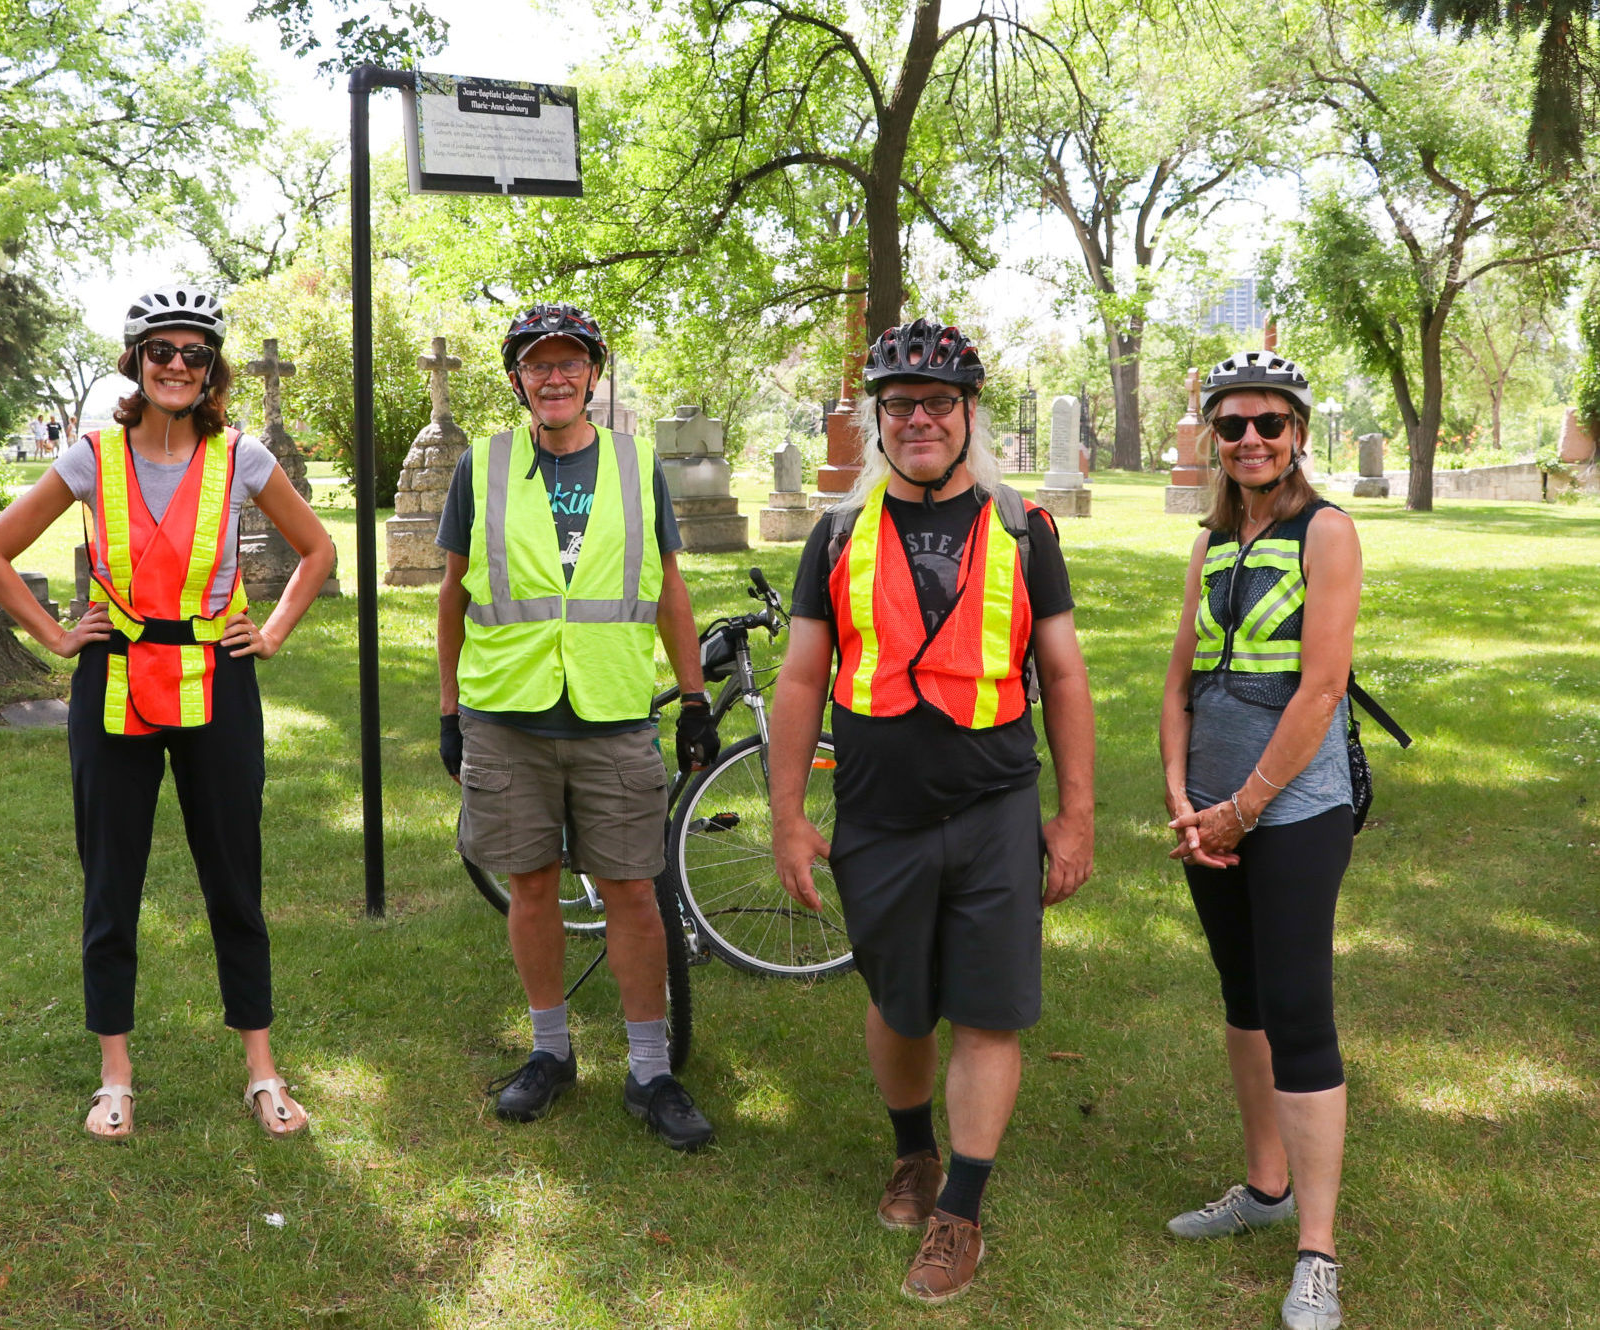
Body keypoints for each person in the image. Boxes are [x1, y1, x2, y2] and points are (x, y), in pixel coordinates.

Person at [767, 319, 1095, 1302]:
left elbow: (1065, 676)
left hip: (995, 803)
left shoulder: (1025, 527)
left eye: (938, 402)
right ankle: (914, 1152)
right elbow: (798, 680)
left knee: (989, 1010)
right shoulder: (836, 533)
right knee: (897, 1002)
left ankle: (962, 1210)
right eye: (900, 403)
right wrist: (788, 817)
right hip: (878, 811)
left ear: (969, 415)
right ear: (878, 418)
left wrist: (1074, 814)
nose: (919, 419)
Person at [0, 281, 336, 1140]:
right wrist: (58, 639)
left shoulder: (242, 457)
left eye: (196, 354)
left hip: (217, 676)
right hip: (116, 680)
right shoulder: (91, 457)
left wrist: (273, 631)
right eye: (163, 352)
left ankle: (262, 1069)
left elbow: (318, 549)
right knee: (112, 879)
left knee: (234, 877)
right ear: (135, 361)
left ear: (213, 372)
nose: (178, 366)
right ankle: (116, 1077)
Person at [435, 302, 720, 1152]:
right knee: (531, 886)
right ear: (516, 377)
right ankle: (550, 1052)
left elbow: (669, 587)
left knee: (634, 889)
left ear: (593, 375)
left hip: (612, 710)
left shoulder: (638, 465)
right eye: (536, 363)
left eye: (569, 363)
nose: (553, 376)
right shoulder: (479, 466)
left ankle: (649, 1069)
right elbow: (452, 594)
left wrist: (696, 697)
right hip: (507, 712)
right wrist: (450, 710)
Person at [1159, 353, 1359, 1330]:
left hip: (1291, 810)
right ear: (1210, 436)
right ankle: (1264, 1187)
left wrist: (1243, 804)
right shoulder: (1210, 542)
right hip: (1209, 812)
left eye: (1269, 425)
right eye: (1231, 425)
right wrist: (1180, 792)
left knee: (1297, 1009)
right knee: (1243, 1003)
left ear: (1298, 434)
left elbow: (1321, 688)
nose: (1250, 441)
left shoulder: (1328, 531)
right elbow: (1178, 681)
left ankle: (1316, 1250)